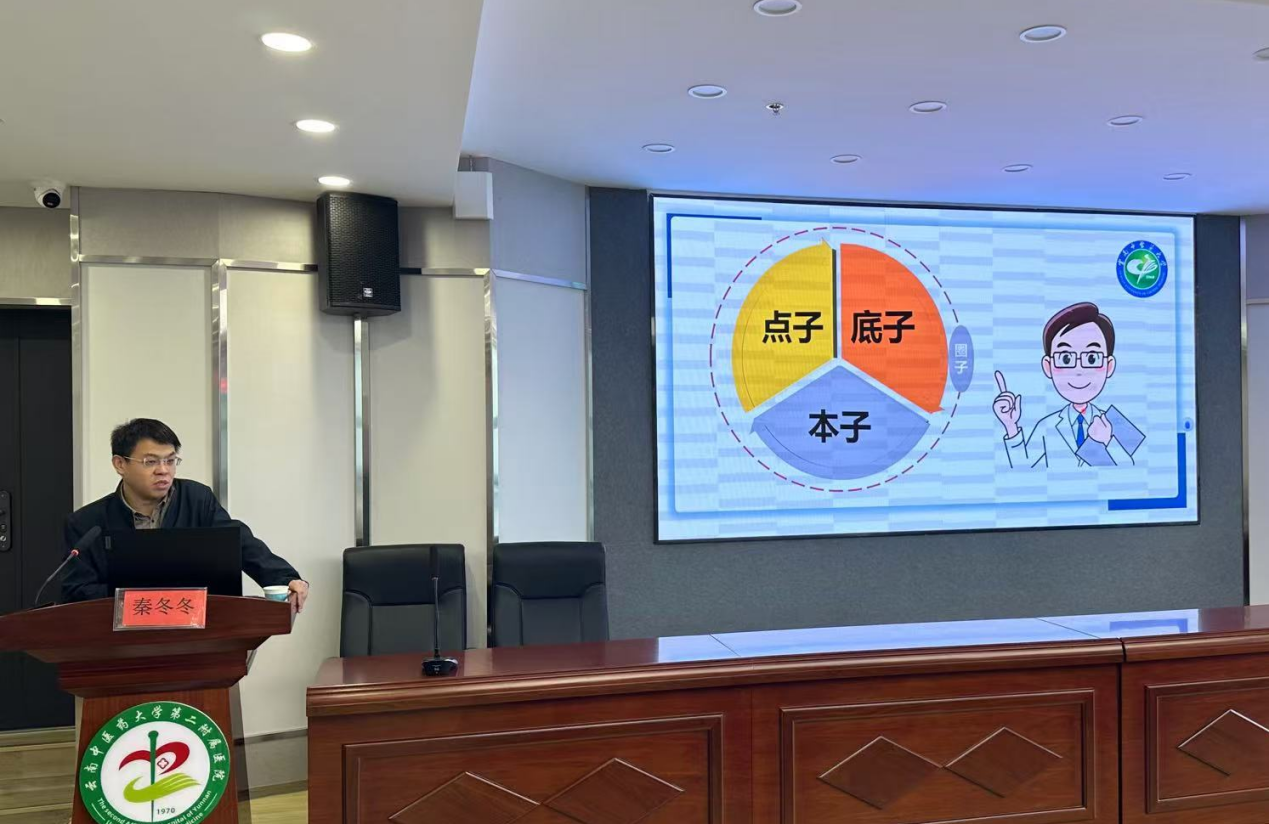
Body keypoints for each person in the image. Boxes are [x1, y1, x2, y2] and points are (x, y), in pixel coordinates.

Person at [61, 418, 309, 609]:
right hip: (118, 640)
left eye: (170, 461)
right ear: (120, 464)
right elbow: (76, 591)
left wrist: (284, 577)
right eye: (150, 462)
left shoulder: (196, 498)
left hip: (193, 628)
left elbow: (239, 542)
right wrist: (138, 595)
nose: (163, 470)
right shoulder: (87, 523)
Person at [992, 302, 1143, 469]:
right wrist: (1011, 426)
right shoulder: (1046, 425)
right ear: (1048, 366)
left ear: (1109, 366)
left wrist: (1108, 443)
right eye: (1066, 359)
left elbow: (1133, 470)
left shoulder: (1115, 422)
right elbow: (1023, 469)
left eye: (1091, 358)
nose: (1078, 371)